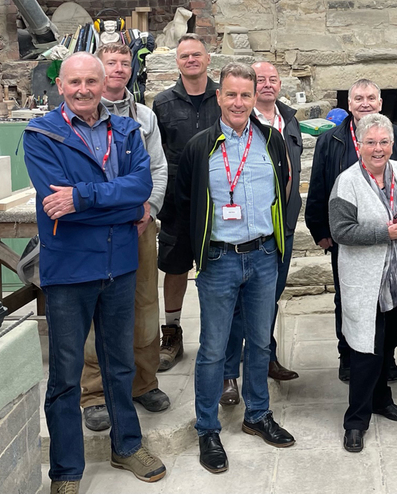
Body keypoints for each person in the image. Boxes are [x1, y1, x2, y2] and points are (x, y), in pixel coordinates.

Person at [23, 52, 166, 494]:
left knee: (119, 364)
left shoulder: (126, 130)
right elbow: (56, 204)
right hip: (69, 270)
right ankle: (66, 471)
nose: (83, 90)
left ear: (104, 85)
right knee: (66, 376)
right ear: (60, 86)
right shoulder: (41, 134)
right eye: (74, 82)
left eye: (91, 81)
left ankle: (127, 446)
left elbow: (142, 186)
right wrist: (120, 206)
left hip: (119, 265)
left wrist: (82, 198)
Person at [158, 62, 295, 474]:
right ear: (219, 97)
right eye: (231, 94)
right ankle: (207, 428)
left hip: (264, 256)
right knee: (214, 349)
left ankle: (258, 415)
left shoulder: (271, 140)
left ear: (255, 98)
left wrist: (277, 242)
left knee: (260, 343)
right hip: (219, 260)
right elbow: (184, 202)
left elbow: (284, 190)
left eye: (245, 95)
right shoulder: (200, 146)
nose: (238, 102)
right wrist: (195, 255)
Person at [304, 78, 397, 382]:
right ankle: (349, 356)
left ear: (381, 103)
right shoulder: (330, 140)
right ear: (349, 104)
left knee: (391, 302)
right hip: (348, 239)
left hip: (396, 244)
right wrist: (320, 230)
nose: (365, 103)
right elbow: (318, 187)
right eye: (359, 98)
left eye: (371, 98)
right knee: (349, 300)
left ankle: (387, 357)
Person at [329, 113, 397, 452]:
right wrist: (384, 232)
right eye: (371, 142)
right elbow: (340, 231)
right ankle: (355, 421)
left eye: (384, 142)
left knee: (389, 341)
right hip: (366, 280)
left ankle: (381, 399)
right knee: (365, 349)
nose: (378, 149)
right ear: (359, 144)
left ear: (392, 144)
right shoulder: (347, 182)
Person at [81, 44, 170, 432]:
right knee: (95, 306)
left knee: (144, 303)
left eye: (124, 63)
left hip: (138, 226)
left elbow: (158, 167)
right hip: (95, 228)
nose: (118, 69)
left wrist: (150, 209)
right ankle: (94, 393)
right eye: (110, 63)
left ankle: (143, 382)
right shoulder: (80, 116)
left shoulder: (145, 117)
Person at [221, 60, 303, 408]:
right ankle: (228, 374)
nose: (267, 84)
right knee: (237, 308)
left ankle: (266, 357)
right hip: (243, 234)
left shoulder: (289, 120)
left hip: (281, 229)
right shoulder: (240, 122)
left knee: (267, 301)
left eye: (273, 79)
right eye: (261, 80)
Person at [153, 33, 220, 371]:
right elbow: (156, 154)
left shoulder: (223, 98)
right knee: (175, 268)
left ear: (208, 59)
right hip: (176, 202)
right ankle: (172, 333)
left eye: (196, 54)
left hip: (218, 200)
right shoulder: (163, 103)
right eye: (184, 56)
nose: (191, 60)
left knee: (217, 270)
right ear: (177, 63)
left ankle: (218, 336)